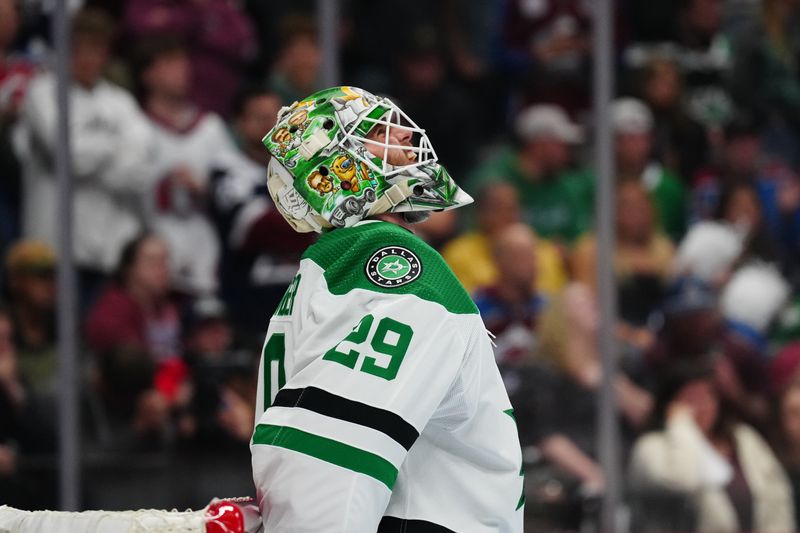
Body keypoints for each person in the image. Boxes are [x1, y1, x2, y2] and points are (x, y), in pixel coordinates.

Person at [251, 86, 524, 531]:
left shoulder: (328, 269)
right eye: (379, 131)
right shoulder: (386, 261)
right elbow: (332, 453)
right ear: (339, 168)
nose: (404, 138)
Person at [16, 9, 154, 304]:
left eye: (96, 49)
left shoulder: (121, 101)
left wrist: (93, 149)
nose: (87, 58)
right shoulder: (43, 93)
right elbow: (71, 155)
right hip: (57, 249)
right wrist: (116, 146)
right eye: (79, 48)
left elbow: (142, 167)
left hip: (110, 250)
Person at [629, 363, 795, 533]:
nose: (702, 407)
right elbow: (682, 480)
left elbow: (777, 493)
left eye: (708, 398)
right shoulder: (650, 447)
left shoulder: (742, 437)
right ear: (671, 405)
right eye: (691, 400)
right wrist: (681, 425)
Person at [208, 85, 313, 338]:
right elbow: (260, 229)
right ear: (241, 123)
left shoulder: (303, 166)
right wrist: (323, 214)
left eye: (276, 117)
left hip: (304, 300)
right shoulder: (228, 170)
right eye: (261, 117)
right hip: (251, 304)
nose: (272, 125)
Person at [135, 36, 235, 296]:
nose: (181, 70)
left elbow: (234, 187)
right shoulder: (135, 126)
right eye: (169, 63)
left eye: (182, 63)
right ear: (147, 74)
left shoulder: (210, 127)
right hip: (153, 258)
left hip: (207, 255)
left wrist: (205, 187)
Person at [467, 103, 592, 246]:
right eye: (561, 145)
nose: (567, 153)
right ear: (540, 144)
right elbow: (473, 234)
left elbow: (579, 238)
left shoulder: (569, 185)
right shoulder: (493, 179)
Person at [441, 181, 567, 295]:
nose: (508, 216)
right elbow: (459, 303)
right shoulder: (458, 254)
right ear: (481, 214)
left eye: (513, 209)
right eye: (498, 209)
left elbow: (554, 301)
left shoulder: (544, 252)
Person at [473, 223, 547, 379]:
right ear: (499, 260)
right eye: (520, 256)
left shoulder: (546, 309)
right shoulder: (476, 308)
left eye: (532, 255)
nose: (531, 264)